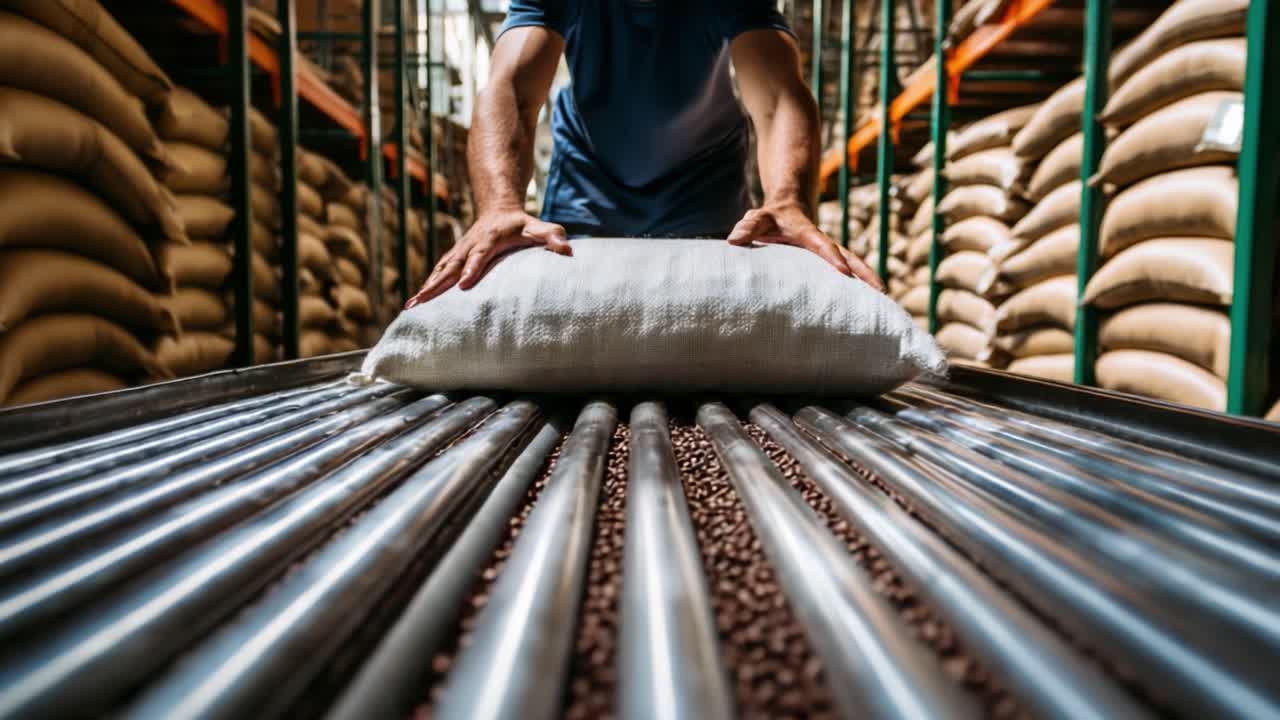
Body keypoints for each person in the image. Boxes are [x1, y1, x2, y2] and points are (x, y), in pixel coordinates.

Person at [406, 0, 883, 308]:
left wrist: (787, 200)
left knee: (712, 342)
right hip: (588, 190)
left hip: (704, 191)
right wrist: (498, 207)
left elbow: (779, 96)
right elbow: (511, 87)